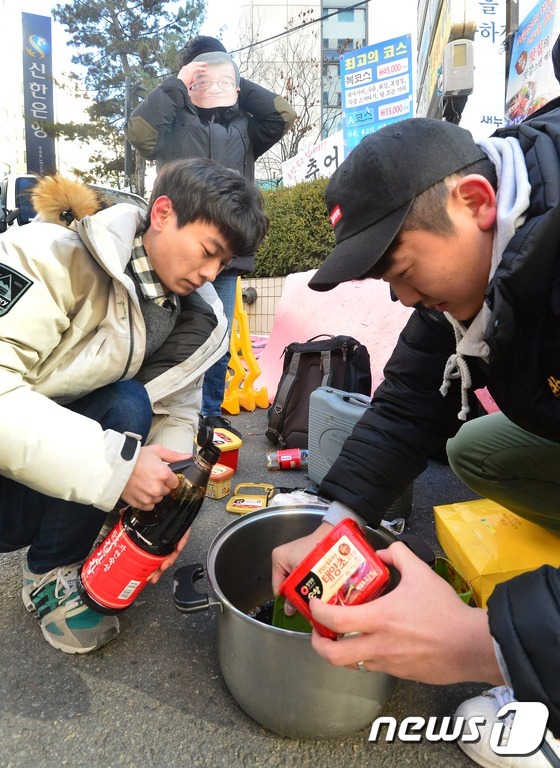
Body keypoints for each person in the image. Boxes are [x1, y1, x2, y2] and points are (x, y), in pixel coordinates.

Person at [271, 116, 560, 766]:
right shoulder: (481, 265)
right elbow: (406, 404)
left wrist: (484, 644)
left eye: (401, 269)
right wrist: (334, 522)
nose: (402, 298)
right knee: (476, 448)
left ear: (475, 202)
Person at [0, 157, 268, 655]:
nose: (212, 274)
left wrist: (166, 501)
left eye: (225, 263)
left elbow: (178, 411)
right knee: (124, 411)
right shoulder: (50, 255)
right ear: (162, 213)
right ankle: (48, 574)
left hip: (50, 462)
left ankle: (65, 559)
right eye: (209, 251)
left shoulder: (193, 315)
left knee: (130, 403)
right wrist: (117, 469)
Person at [125, 35, 296, 438]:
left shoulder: (245, 127)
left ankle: (209, 413)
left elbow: (283, 114)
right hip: (176, 249)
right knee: (162, 330)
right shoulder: (172, 121)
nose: (210, 78)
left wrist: (233, 80)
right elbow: (139, 133)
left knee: (216, 334)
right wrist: (178, 84)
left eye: (218, 69)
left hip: (224, 254)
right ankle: (149, 410)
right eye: (201, 71)